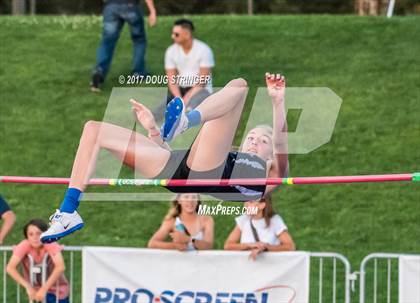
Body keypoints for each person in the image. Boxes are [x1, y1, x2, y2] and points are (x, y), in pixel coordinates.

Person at [40, 72, 288, 243]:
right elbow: (174, 162)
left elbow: (280, 141)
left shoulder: (269, 172)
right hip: (176, 170)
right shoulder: (230, 153)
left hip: (208, 174)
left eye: (262, 141)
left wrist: (278, 102)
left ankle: (186, 121)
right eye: (252, 137)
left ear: (271, 153)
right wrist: (153, 131)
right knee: (93, 130)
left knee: (240, 85)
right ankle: (68, 212)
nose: (255, 141)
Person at [153, 18, 215, 121]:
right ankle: (151, 116)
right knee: (166, 105)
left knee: (193, 105)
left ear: (187, 34)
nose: (172, 36)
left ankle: (187, 115)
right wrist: (178, 98)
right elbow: (171, 79)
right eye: (172, 33)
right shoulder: (171, 51)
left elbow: (202, 81)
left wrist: (187, 97)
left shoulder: (204, 50)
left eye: (176, 34)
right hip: (180, 88)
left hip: (200, 89)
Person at [90, 0, 157, 92]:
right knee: (139, 40)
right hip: (131, 5)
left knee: (107, 42)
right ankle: (138, 73)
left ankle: (99, 71)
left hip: (111, 7)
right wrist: (152, 11)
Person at [7, 219, 69, 303]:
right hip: (35, 292)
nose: (35, 237)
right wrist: (28, 287)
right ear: (27, 236)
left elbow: (60, 266)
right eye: (31, 234)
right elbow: (10, 267)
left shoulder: (50, 242)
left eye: (38, 233)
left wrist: (43, 290)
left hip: (58, 291)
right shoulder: (25, 244)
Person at [224, 195, 295, 260]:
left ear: (262, 205)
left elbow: (290, 246)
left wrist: (265, 248)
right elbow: (228, 246)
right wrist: (250, 245)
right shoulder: (243, 219)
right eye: (245, 201)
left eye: (250, 202)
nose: (245, 205)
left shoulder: (274, 220)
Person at [148, 193, 214, 251]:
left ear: (197, 201)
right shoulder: (171, 222)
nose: (190, 201)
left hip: (201, 263)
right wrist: (174, 246)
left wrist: (189, 239)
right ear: (179, 200)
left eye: (194, 197)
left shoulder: (206, 220)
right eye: (186, 197)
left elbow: (208, 246)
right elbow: (152, 243)